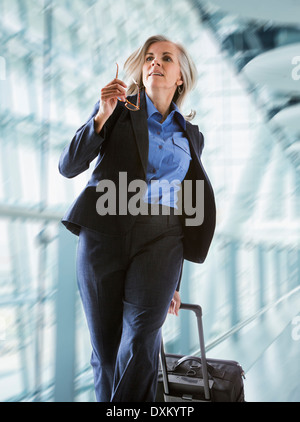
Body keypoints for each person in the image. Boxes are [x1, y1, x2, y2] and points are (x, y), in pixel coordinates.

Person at [58, 34, 216, 402]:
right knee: (107, 350)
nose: (154, 63)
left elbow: (186, 204)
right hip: (104, 232)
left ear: (180, 77)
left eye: (165, 58)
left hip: (163, 238)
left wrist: (174, 282)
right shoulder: (118, 110)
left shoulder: (192, 136)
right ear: (142, 70)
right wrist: (101, 115)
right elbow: (69, 166)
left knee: (142, 340)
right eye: (148, 58)